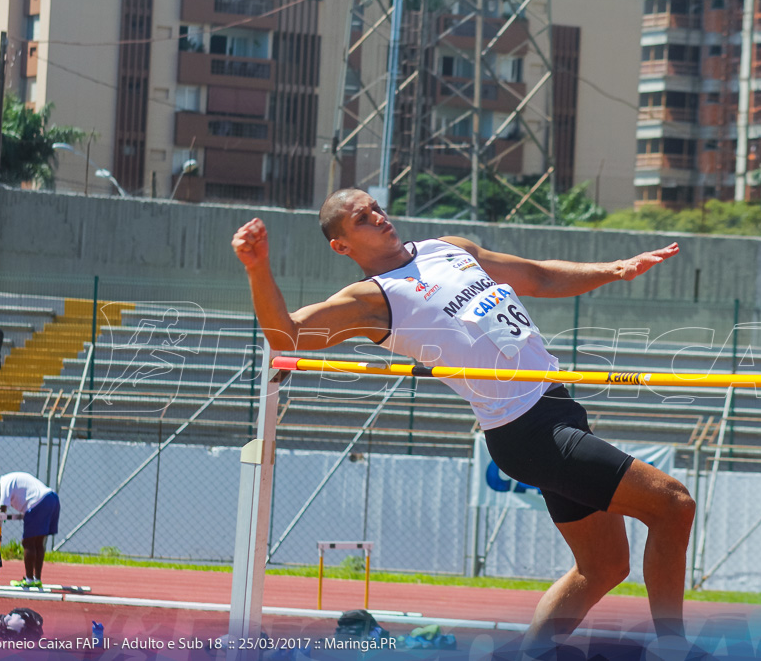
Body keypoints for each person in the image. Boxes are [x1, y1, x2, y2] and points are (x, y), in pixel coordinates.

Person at [232, 189, 696, 655]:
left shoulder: (448, 249)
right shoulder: (372, 299)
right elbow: (285, 333)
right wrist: (257, 269)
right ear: (342, 246)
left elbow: (536, 276)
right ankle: (674, 649)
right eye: (362, 218)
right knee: (673, 504)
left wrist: (615, 269)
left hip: (557, 405)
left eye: (376, 207)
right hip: (526, 429)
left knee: (604, 566)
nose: (379, 216)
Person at [0, 472, 60, 588]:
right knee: (37, 543)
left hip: (38, 502)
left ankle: (29, 580)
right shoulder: (10, 479)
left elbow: (2, 508)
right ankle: (37, 579)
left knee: (28, 542)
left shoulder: (3, 483)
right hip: (52, 498)